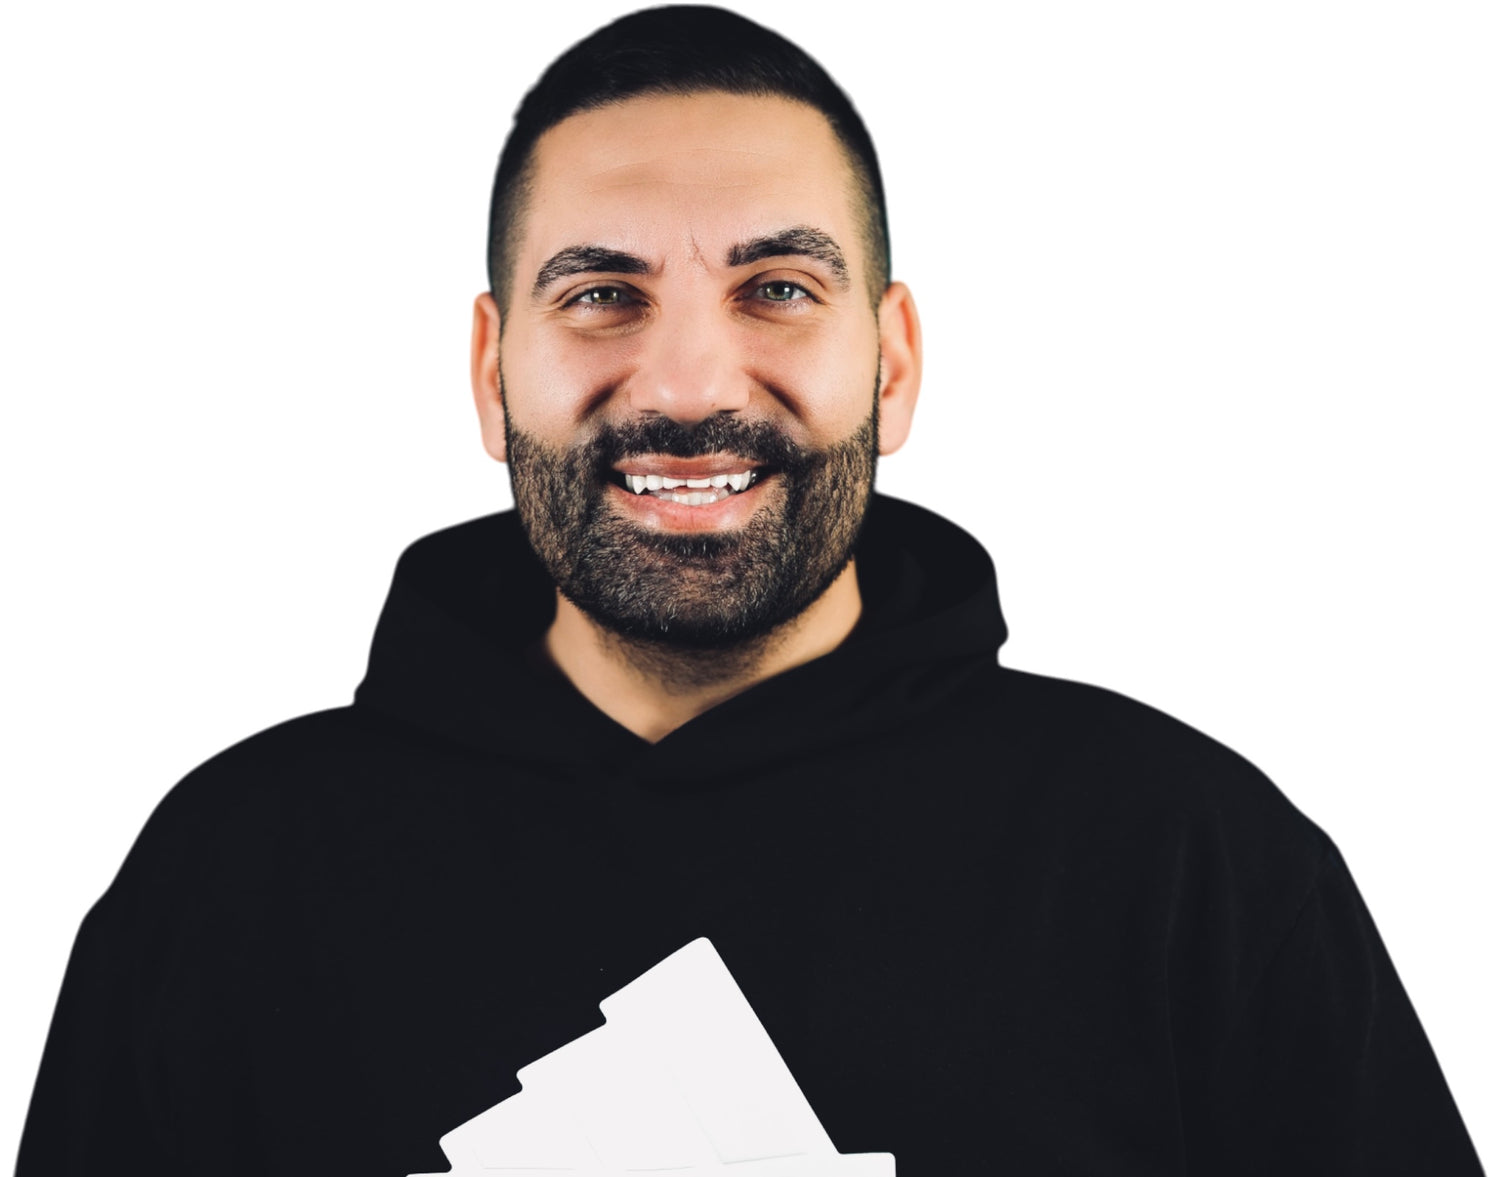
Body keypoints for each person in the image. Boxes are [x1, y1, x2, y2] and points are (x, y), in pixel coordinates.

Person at [14, 7, 1486, 1175]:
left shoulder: (1192, 862)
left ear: (892, 363)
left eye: (777, 288)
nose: (685, 383)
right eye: (603, 295)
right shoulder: (225, 884)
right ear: (490, 369)